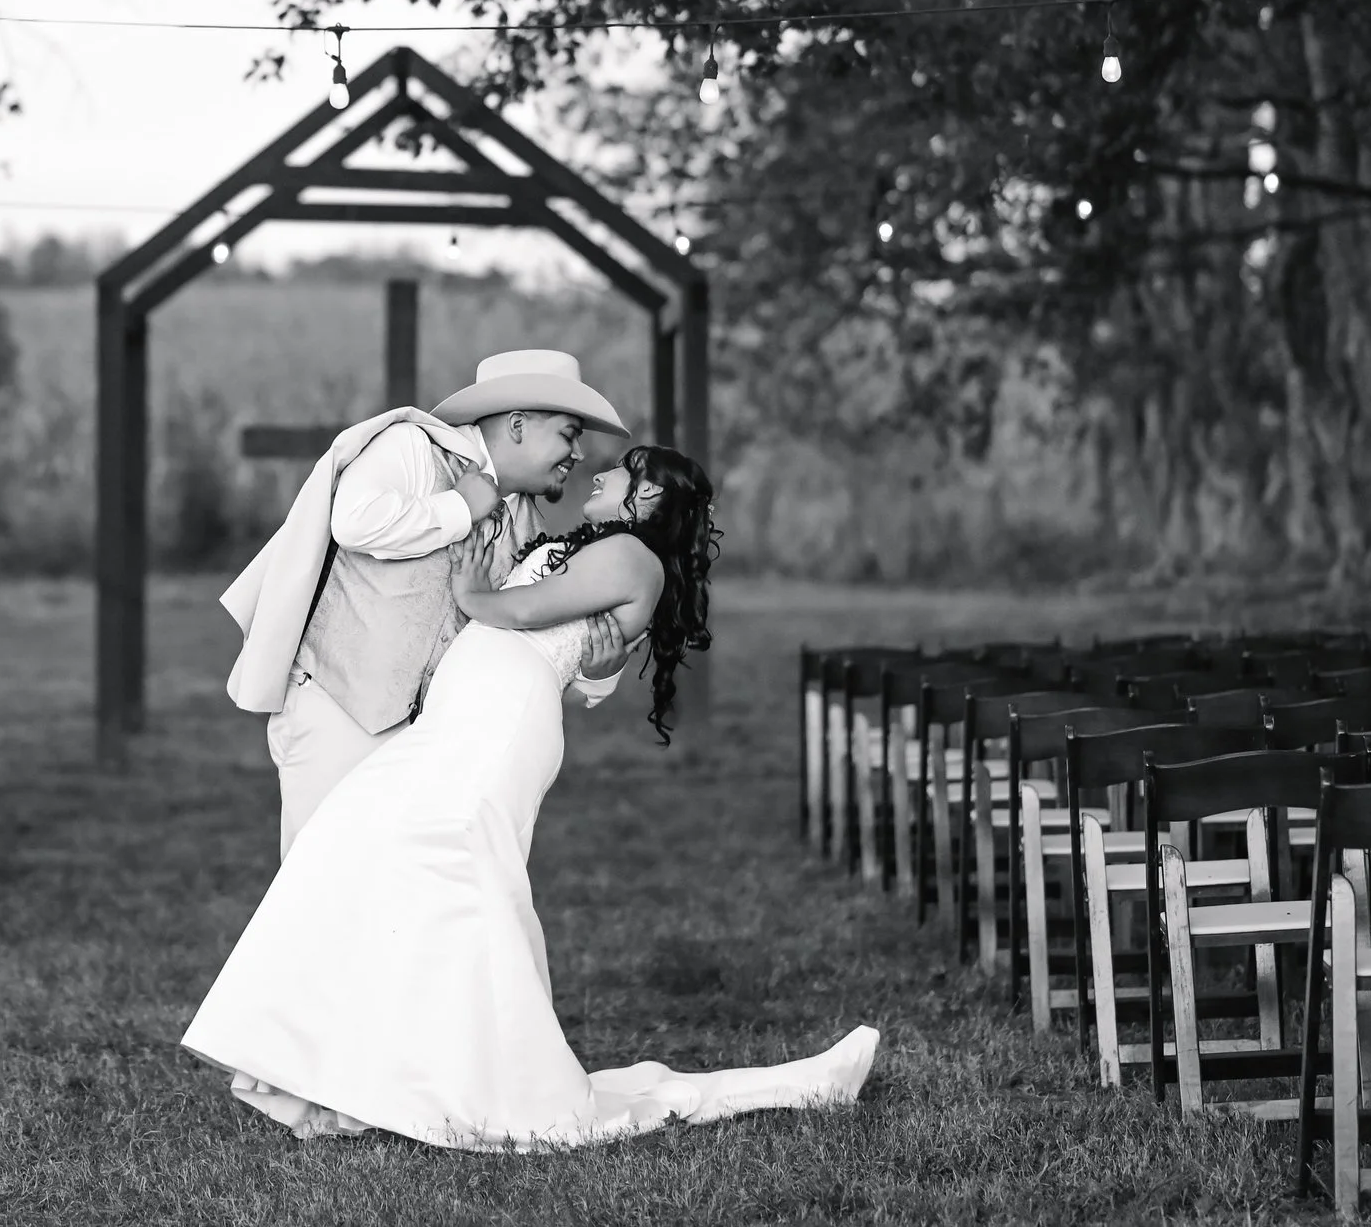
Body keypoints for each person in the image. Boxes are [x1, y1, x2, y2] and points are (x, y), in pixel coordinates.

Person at [186, 444, 881, 1150]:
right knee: (355, 845)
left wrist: (471, 588)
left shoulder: (632, 558)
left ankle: (467, 1077)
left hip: (499, 723)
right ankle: (359, 1072)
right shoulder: (592, 545)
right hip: (463, 715)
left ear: (645, 500)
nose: (600, 470)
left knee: (450, 877)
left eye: (622, 470)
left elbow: (518, 613)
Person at [219, 349, 629, 856]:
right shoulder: (411, 446)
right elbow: (354, 520)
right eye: (569, 434)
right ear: (519, 425)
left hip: (430, 741)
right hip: (336, 713)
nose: (580, 454)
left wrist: (596, 673)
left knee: (398, 903)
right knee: (318, 887)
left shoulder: (532, 530)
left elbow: (527, 647)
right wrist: (461, 507)